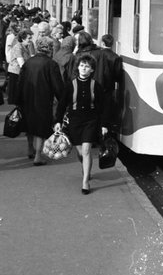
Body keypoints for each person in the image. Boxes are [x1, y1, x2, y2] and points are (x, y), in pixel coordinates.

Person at [55, 53, 108, 195]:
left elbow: (103, 107)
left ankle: (85, 181)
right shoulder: (70, 85)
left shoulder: (96, 86)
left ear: (92, 70)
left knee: (86, 151)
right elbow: (61, 105)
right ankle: (85, 168)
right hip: (75, 121)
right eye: (82, 65)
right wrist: (58, 121)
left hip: (91, 121)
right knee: (80, 153)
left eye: (87, 66)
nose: (84, 68)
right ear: (78, 67)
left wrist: (104, 125)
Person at [14, 36, 64, 166]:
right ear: (50, 49)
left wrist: (18, 99)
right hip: (43, 98)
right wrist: (63, 100)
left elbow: (20, 81)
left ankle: (30, 149)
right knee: (41, 127)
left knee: (29, 125)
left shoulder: (28, 62)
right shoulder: (51, 64)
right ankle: (38, 156)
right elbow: (57, 86)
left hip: (27, 97)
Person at [93, 34, 123, 132]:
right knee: (106, 110)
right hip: (108, 87)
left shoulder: (96, 54)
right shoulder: (116, 57)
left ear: (102, 42)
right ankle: (103, 131)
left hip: (95, 85)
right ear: (113, 44)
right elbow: (118, 75)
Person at [6, 28, 33, 106]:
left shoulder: (25, 46)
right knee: (16, 95)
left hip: (20, 72)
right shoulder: (18, 47)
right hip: (16, 72)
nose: (30, 40)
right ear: (23, 39)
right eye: (29, 38)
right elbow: (21, 62)